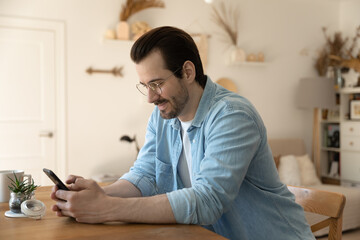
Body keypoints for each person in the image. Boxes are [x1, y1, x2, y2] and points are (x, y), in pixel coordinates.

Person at [51, 26, 315, 240]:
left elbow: (208, 199)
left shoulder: (232, 115)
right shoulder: (164, 115)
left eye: (157, 84)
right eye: (145, 85)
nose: (151, 98)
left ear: (187, 72)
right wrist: (97, 195)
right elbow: (146, 175)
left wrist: (107, 209)